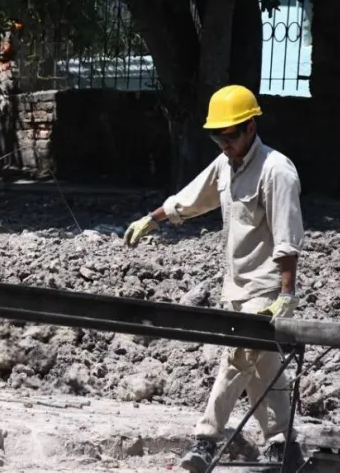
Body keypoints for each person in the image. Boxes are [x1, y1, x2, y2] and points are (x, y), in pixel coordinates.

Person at [123, 85, 304, 473]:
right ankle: (284, 445)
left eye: (230, 135)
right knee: (263, 366)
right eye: (217, 137)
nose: (224, 143)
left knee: (237, 357)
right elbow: (193, 197)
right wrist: (152, 219)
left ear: (250, 127)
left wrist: (287, 294)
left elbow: (288, 239)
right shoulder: (226, 164)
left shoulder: (276, 171)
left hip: (265, 290)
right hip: (235, 287)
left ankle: (205, 440)